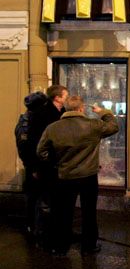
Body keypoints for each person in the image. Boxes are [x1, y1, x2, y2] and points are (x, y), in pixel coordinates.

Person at [36, 96, 119, 256]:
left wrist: (56, 162)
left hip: (65, 175)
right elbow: (113, 126)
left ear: (65, 109)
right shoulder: (93, 125)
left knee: (64, 212)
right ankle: (88, 246)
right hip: (88, 176)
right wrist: (103, 112)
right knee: (89, 212)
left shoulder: (53, 128)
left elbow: (41, 152)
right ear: (81, 109)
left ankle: (61, 246)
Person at [22, 85, 68, 245]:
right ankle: (39, 231)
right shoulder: (42, 115)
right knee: (41, 198)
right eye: (65, 95)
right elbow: (34, 142)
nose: (66, 97)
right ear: (57, 97)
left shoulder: (62, 112)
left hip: (54, 163)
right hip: (44, 163)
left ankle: (47, 229)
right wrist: (34, 166)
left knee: (49, 198)